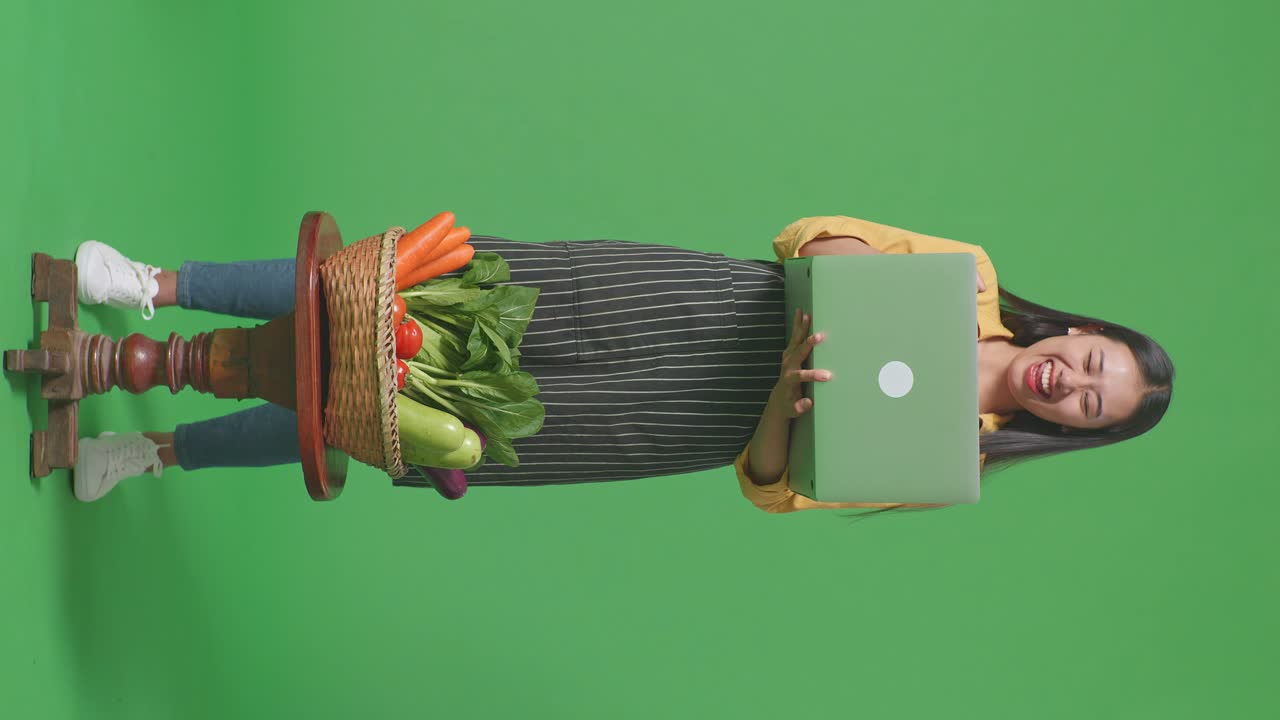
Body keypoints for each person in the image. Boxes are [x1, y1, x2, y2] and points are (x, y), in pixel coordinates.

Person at [70, 215, 1174, 512]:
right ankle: (155, 285)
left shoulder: (956, 464)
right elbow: (818, 234)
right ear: (1068, 332)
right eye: (1089, 359)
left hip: (669, 426)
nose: (1072, 381)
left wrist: (789, 403)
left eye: (1088, 403)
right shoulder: (966, 275)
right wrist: (839, 286)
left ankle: (158, 451)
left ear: (1072, 430)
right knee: (402, 299)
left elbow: (779, 489)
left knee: (387, 419)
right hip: (702, 300)